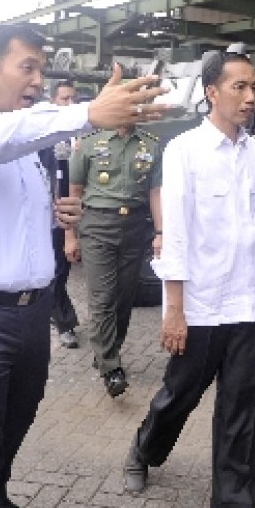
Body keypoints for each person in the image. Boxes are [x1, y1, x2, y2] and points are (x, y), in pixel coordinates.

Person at [0, 23, 169, 508]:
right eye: (25, 67)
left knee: (13, 422)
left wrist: (56, 216)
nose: (36, 79)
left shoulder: (25, 144)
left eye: (41, 68)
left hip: (29, 316)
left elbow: (0, 198)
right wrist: (86, 114)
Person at [122, 44, 255, 508]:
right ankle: (144, 449)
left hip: (247, 304)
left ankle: (233, 502)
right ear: (212, 93)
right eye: (240, 87)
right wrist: (175, 309)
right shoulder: (184, 151)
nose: (251, 96)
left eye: (254, 87)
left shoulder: (254, 151)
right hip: (202, 305)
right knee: (179, 395)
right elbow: (179, 235)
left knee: (242, 407)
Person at [66, 122, 162, 397]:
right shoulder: (88, 143)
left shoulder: (151, 144)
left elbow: (155, 192)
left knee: (124, 297)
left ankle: (108, 350)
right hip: (97, 225)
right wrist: (70, 237)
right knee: (102, 298)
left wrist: (160, 232)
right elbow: (74, 192)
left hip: (134, 226)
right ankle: (111, 368)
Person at [38, 80, 80, 348]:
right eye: (64, 99)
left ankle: (58, 317)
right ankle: (65, 323)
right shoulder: (47, 136)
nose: (70, 104)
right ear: (53, 101)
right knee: (54, 273)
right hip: (53, 218)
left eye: (73, 98)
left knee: (61, 273)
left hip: (79, 213)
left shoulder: (82, 133)